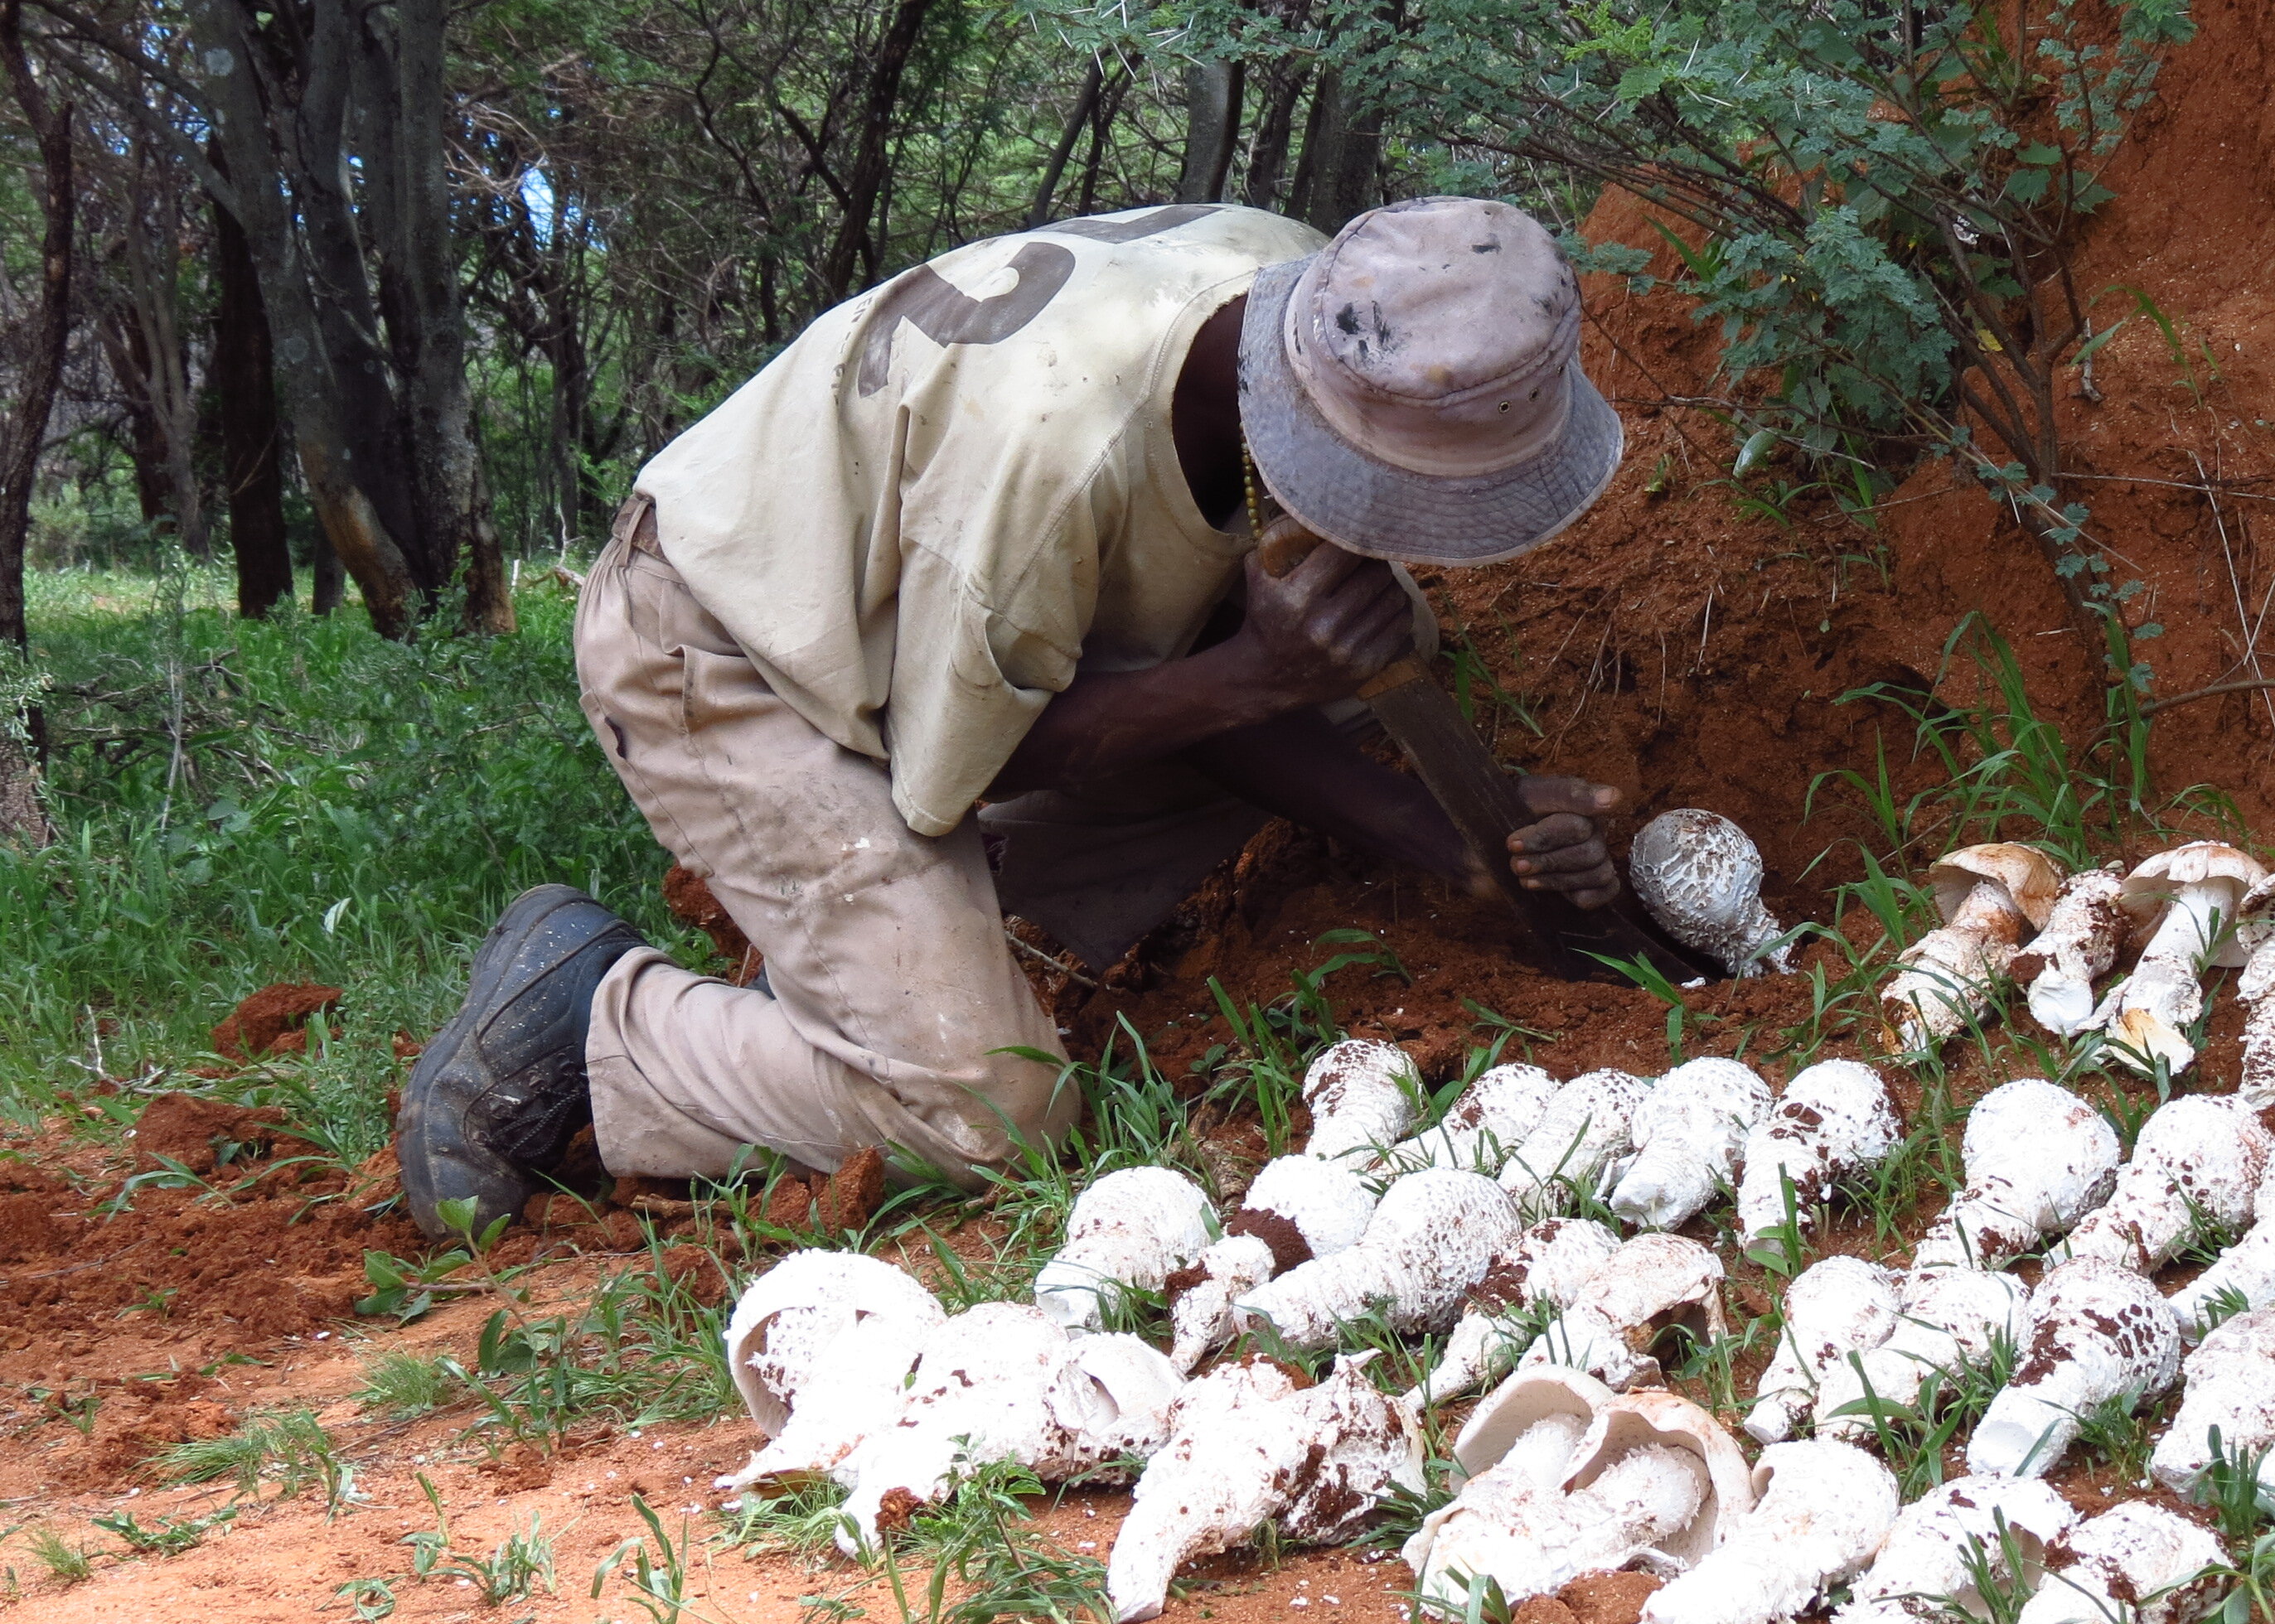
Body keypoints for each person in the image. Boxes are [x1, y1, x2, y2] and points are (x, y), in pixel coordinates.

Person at [393, 197, 1632, 1237]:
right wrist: (1259, 675)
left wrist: (1453, 836)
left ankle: (890, 961)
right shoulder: (1046, 472)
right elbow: (954, 771)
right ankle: (606, 1016)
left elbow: (1172, 637)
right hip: (731, 648)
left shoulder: (1303, 301)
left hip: (932, 625)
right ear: (1324, 424)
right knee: (991, 1120)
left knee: (1372, 656)